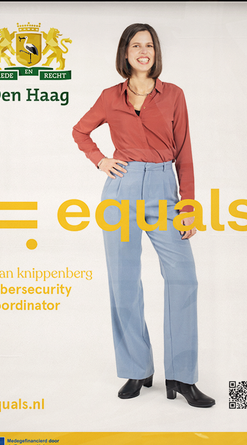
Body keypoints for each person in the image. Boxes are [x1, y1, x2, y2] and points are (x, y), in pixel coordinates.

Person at [70, 23, 214, 408]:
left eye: (149, 44)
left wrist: (188, 209)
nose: (143, 50)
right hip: (121, 191)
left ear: (156, 52)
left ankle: (182, 378)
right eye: (136, 45)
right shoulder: (108, 97)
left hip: (164, 190)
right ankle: (137, 368)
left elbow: (184, 155)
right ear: (126, 53)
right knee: (124, 282)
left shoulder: (174, 96)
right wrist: (100, 160)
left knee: (184, 278)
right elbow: (80, 132)